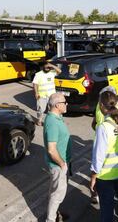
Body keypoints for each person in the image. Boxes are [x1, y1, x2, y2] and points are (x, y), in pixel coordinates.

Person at [90, 91, 118, 222]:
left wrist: (93, 177)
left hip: (106, 176)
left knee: (107, 209)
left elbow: (98, 156)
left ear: (102, 105)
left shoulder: (104, 127)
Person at [43, 93, 72, 222]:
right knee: (57, 194)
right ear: (57, 105)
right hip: (58, 165)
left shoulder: (57, 117)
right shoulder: (52, 122)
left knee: (56, 191)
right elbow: (51, 150)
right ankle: (50, 219)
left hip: (61, 163)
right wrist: (62, 164)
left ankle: (55, 214)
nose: (67, 104)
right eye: (64, 102)